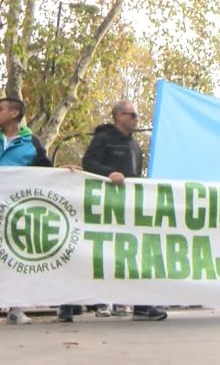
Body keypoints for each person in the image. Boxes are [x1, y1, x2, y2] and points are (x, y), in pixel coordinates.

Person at [59, 101, 168, 322]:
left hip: (128, 208)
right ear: (119, 116)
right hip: (102, 208)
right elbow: (88, 163)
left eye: (137, 116)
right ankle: (67, 304)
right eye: (133, 115)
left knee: (136, 254)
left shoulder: (135, 146)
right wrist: (110, 173)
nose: (137, 119)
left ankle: (142, 306)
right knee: (89, 255)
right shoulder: (103, 139)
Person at [0, 98, 53, 326]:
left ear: (15, 113)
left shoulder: (32, 143)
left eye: (0, 109)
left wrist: (68, 173)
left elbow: (47, 172)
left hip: (20, 212)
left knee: (17, 256)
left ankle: (16, 308)